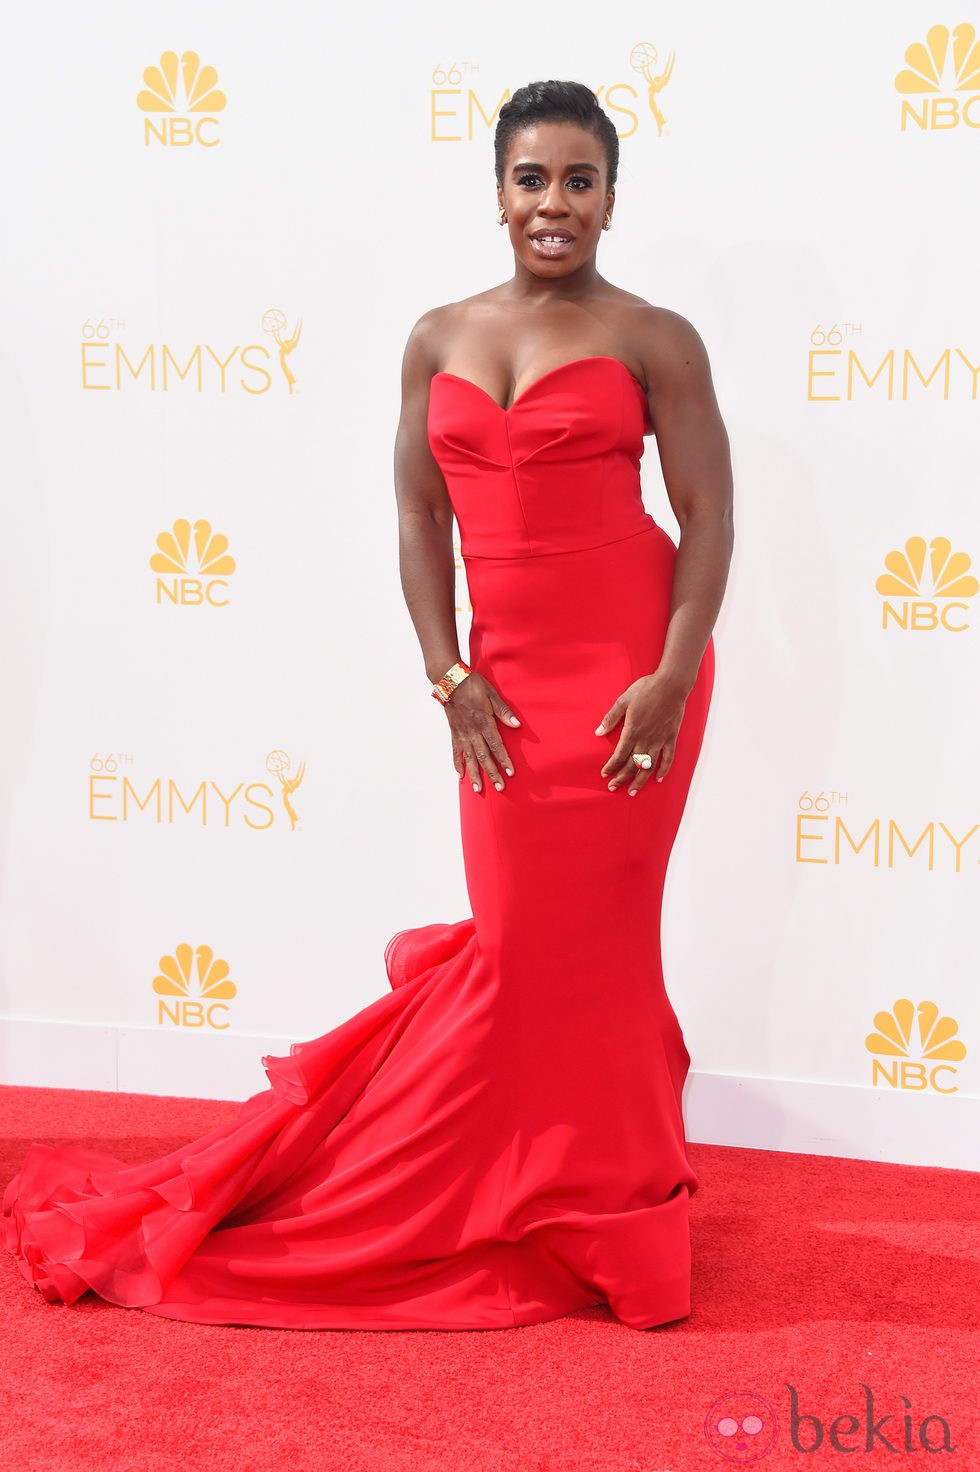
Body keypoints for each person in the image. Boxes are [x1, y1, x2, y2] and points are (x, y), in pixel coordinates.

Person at [4, 80, 733, 1331]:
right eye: (529, 179)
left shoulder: (652, 335)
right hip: (497, 688)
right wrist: (447, 673)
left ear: (612, 197)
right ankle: (506, 1190)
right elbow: (416, 515)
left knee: (599, 950)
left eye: (577, 181)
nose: (551, 204)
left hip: (628, 679)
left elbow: (709, 519)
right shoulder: (437, 334)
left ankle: (611, 1206)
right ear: (495, 190)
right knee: (517, 952)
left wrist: (669, 675)